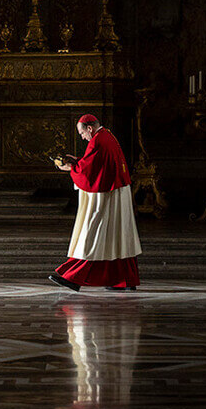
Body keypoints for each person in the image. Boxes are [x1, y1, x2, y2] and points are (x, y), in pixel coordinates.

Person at [49, 114, 142, 292]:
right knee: (117, 237)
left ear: (89, 128)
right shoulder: (106, 136)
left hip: (105, 195)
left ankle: (74, 278)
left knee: (92, 234)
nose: (82, 137)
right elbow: (95, 163)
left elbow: (89, 171)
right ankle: (123, 280)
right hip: (116, 191)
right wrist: (77, 161)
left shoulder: (97, 141)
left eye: (82, 133)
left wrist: (69, 168)